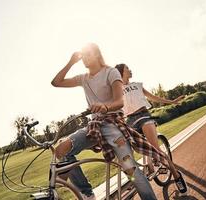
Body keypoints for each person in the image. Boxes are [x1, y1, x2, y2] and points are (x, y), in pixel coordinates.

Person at [51, 43, 163, 200]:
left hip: (113, 125)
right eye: (82, 55)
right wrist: (71, 62)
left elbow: (119, 102)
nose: (84, 58)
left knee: (131, 171)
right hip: (94, 127)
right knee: (61, 151)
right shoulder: (83, 78)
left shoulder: (111, 72)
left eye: (87, 54)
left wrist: (105, 106)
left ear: (97, 55)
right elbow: (56, 82)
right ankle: (88, 194)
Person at [115, 63, 189, 195]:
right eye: (127, 68)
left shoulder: (137, 85)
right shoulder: (116, 89)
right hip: (129, 121)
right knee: (124, 152)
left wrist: (171, 102)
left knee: (155, 150)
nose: (130, 70)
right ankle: (141, 173)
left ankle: (177, 175)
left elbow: (154, 97)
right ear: (121, 72)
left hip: (143, 116)